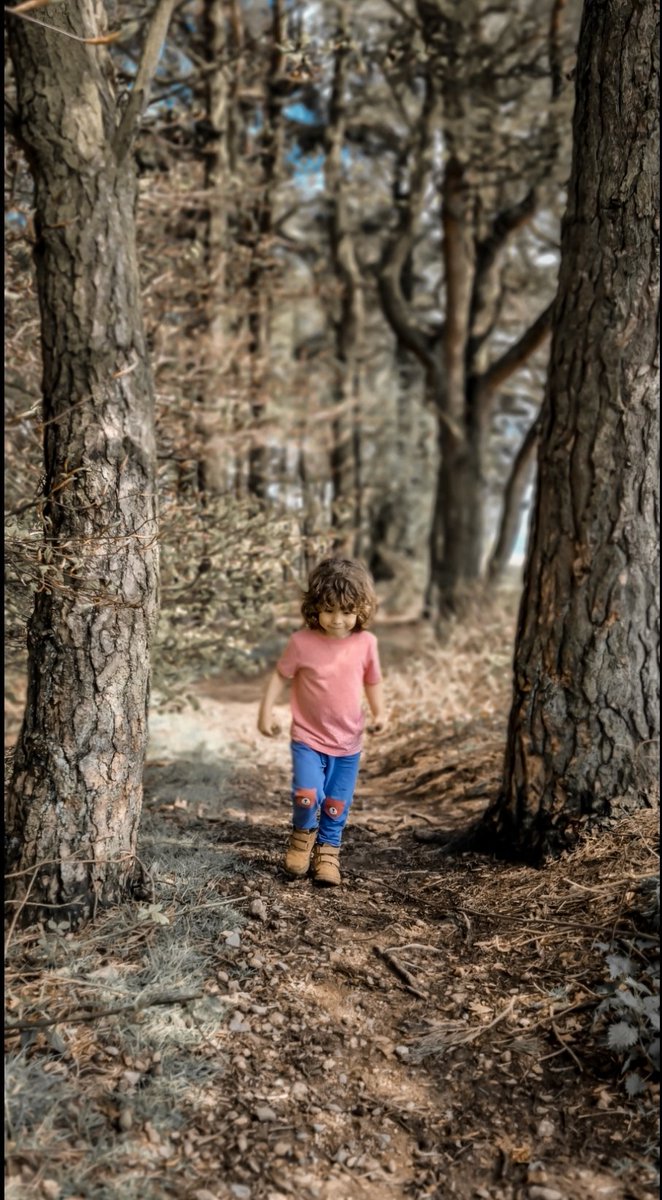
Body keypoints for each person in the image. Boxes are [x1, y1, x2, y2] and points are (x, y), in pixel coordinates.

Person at [257, 557, 386, 887]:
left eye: (347, 611)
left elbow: (373, 681)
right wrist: (265, 712)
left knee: (335, 803)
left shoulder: (366, 644)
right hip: (308, 738)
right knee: (306, 795)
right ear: (315, 608)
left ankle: (328, 852)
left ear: (361, 609)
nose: (338, 620)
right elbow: (280, 675)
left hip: (348, 742)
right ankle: (302, 837)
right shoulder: (302, 642)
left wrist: (381, 713)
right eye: (329, 610)